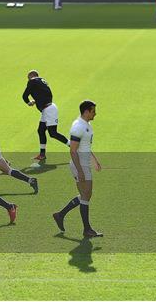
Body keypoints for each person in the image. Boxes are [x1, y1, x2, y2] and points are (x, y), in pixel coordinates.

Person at [52, 101, 103, 238]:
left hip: (84, 163)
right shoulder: (78, 127)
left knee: (86, 194)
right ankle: (87, 230)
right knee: (86, 195)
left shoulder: (87, 125)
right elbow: (73, 151)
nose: (95, 114)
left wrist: (94, 161)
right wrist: (80, 170)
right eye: (93, 111)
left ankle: (60, 215)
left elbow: (85, 146)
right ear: (86, 111)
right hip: (79, 164)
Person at [22, 70, 69, 161]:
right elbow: (45, 94)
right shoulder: (42, 81)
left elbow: (24, 95)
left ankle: (73, 146)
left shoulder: (32, 81)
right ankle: (42, 154)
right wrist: (38, 100)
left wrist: (29, 102)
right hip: (47, 108)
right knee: (41, 130)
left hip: (49, 110)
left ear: (31, 76)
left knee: (53, 133)